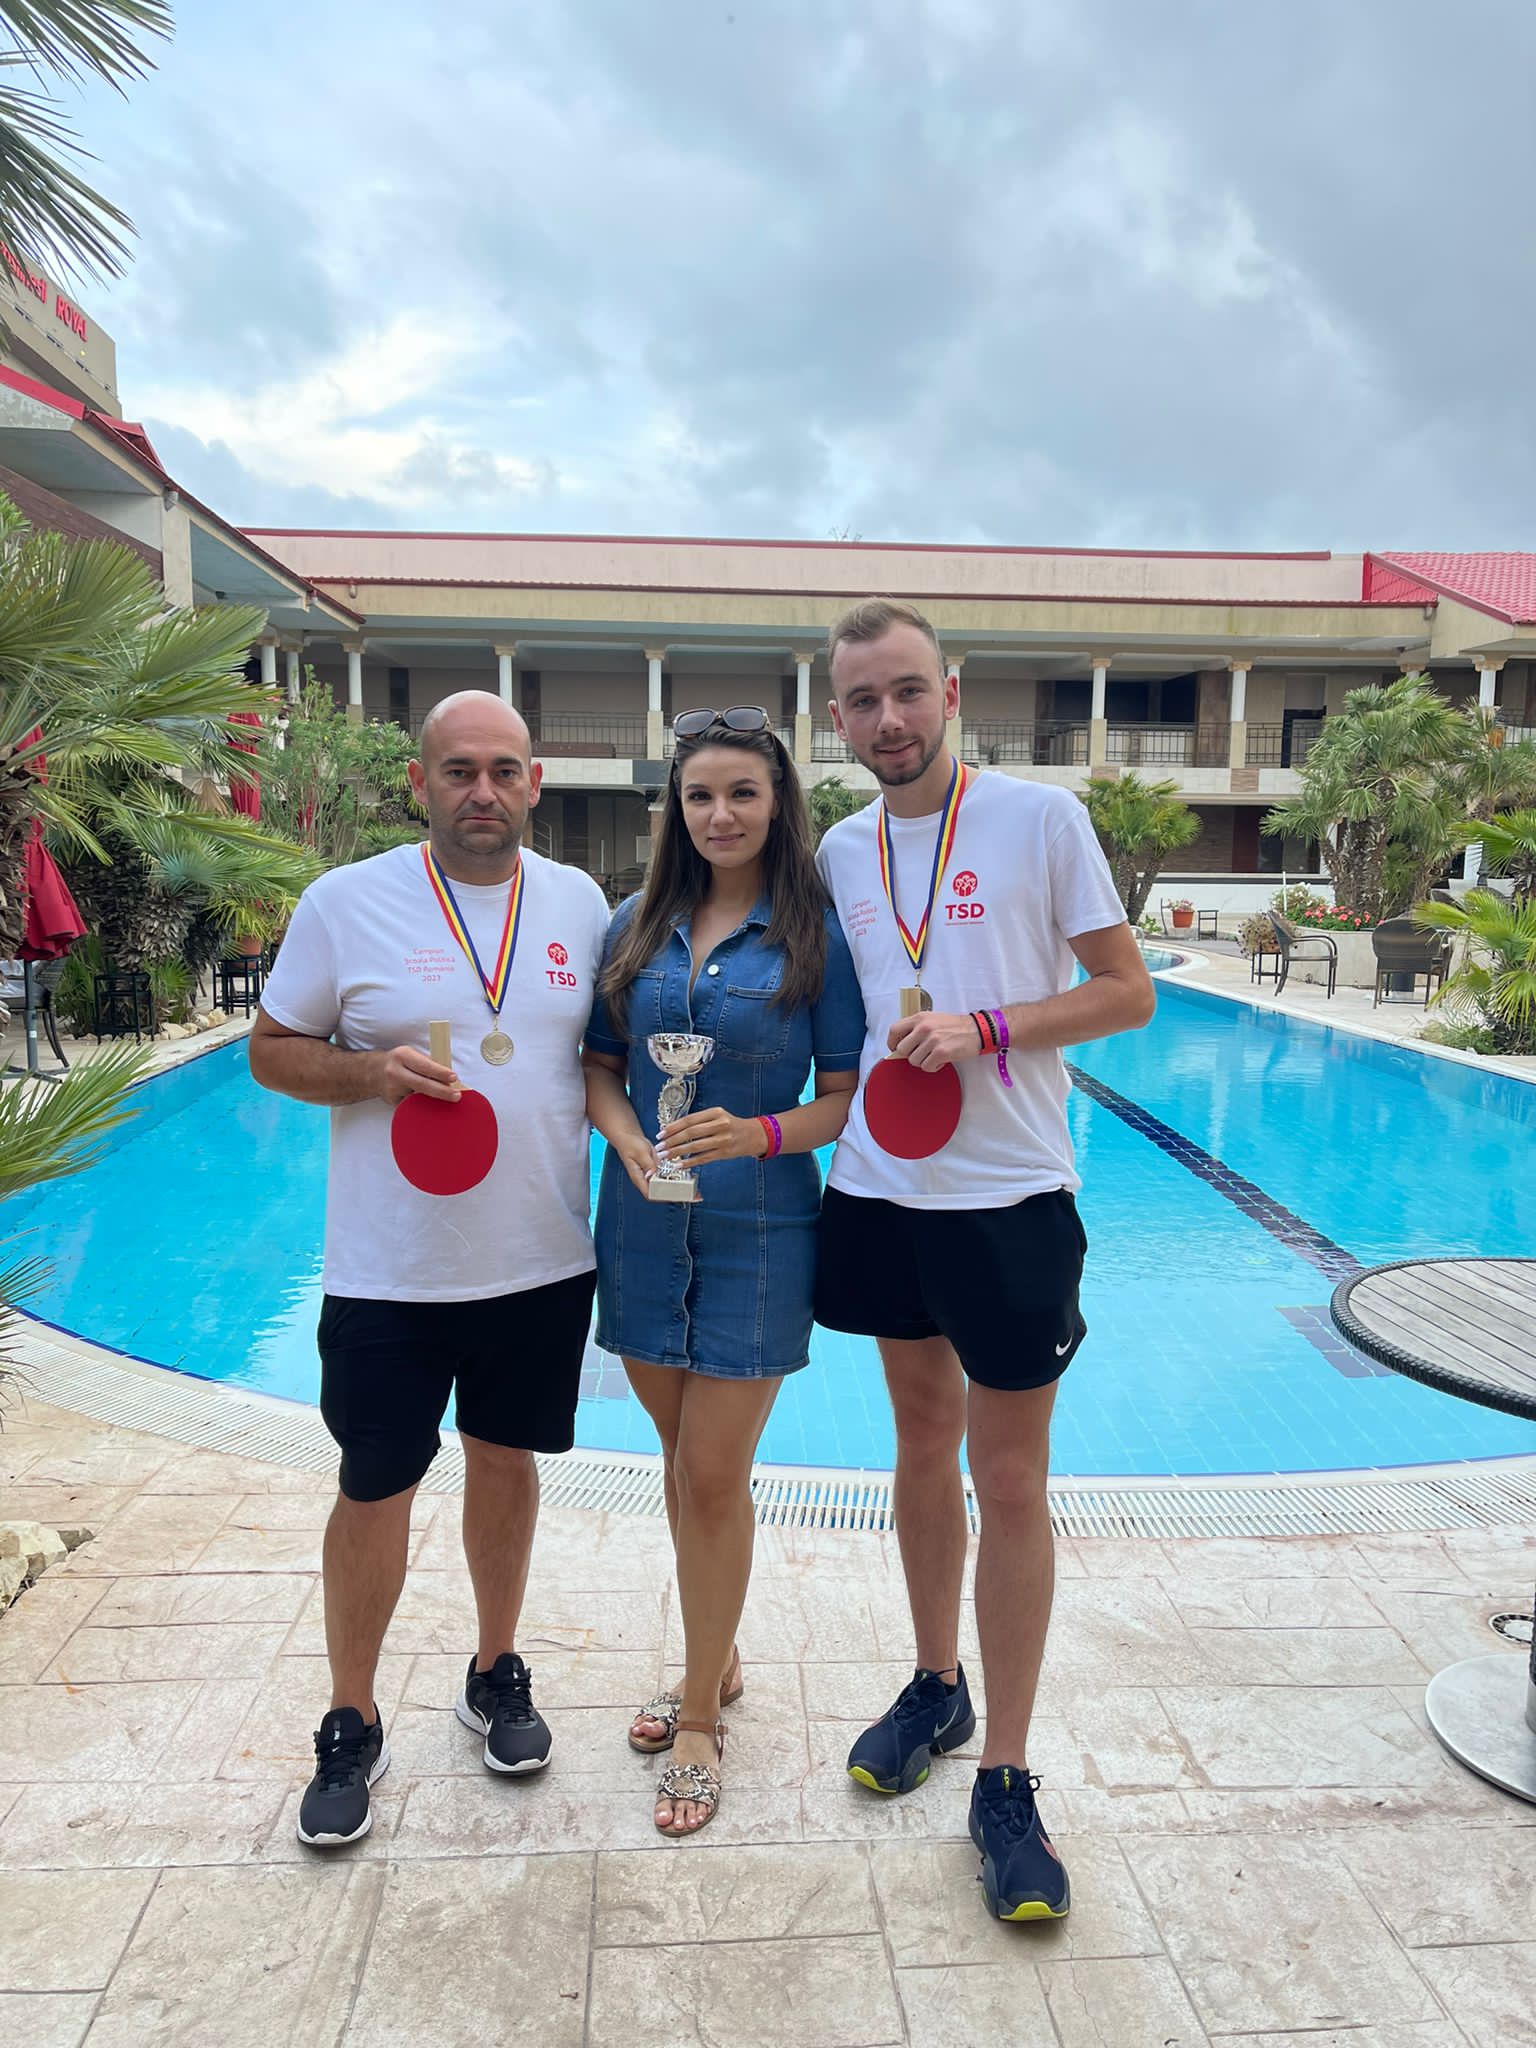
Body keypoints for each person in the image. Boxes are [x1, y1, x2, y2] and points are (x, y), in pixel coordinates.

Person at [813, 600, 1155, 1921]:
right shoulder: (842, 847)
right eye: (863, 699)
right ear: (837, 717)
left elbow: (1127, 991)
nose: (889, 718)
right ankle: (936, 1683)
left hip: (1009, 1194)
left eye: (908, 690)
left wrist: (988, 1028)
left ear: (950, 691)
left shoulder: (1039, 820)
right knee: (918, 1443)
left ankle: (1006, 1772)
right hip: (882, 1188)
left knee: (1009, 1479)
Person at [250, 690, 610, 1848]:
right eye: (459, 769)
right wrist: (370, 1072)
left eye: (503, 769)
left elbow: (601, 1060)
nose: (482, 790)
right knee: (374, 1485)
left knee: (507, 1461)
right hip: (390, 1272)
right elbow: (270, 1050)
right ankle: (351, 1714)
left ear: (535, 782)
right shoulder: (345, 901)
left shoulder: (580, 903)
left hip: (538, 1259)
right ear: (422, 782)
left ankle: (495, 1668)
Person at [582, 707, 865, 1836]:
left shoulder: (815, 938)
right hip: (643, 1226)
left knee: (711, 1470)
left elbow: (845, 1099)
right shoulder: (634, 924)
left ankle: (700, 1714)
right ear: (677, 809)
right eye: (700, 795)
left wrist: (757, 1134)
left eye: (743, 792)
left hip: (761, 1229)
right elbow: (602, 1070)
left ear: (777, 804)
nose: (720, 814)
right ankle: (723, 1651)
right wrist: (628, 1141)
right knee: (681, 1459)